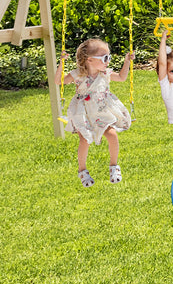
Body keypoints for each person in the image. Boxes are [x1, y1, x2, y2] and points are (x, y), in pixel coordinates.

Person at [55, 38, 132, 187]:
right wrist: (61, 64)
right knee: (84, 140)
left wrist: (127, 61)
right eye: (104, 58)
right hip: (84, 112)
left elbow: (122, 78)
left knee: (112, 135)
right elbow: (59, 81)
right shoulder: (78, 74)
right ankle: (82, 170)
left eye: (109, 57)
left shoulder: (106, 73)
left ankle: (114, 166)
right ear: (89, 60)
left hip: (102, 111)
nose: (107, 61)